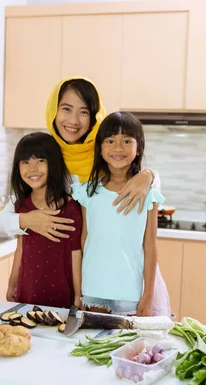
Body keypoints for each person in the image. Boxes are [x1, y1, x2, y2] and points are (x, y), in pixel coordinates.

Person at [0, 76, 161, 242]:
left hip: (101, 257)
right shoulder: (46, 155)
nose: (74, 120)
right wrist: (26, 220)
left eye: (84, 112)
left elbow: (140, 186)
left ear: (94, 117)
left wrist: (149, 175)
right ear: (54, 110)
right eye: (66, 109)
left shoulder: (107, 151)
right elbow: (4, 218)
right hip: (61, 258)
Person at [71, 112, 171, 316]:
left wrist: (149, 293)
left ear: (138, 148)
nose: (118, 148)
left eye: (126, 141)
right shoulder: (87, 191)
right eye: (110, 141)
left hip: (130, 290)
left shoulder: (147, 193)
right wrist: (80, 289)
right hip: (94, 286)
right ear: (100, 147)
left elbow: (150, 246)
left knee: (125, 344)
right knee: (96, 343)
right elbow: (85, 240)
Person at [6, 132, 83, 309]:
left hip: (61, 291)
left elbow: (76, 253)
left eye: (40, 160)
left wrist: (79, 294)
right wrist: (12, 283)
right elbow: (20, 248)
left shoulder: (70, 207)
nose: (32, 168)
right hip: (28, 288)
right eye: (25, 162)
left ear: (54, 163)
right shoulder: (21, 206)